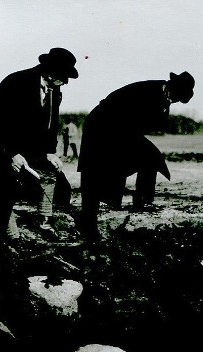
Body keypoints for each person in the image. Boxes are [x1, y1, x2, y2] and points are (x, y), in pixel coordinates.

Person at [0, 47, 78, 239]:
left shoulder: (54, 92)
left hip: (24, 146)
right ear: (50, 71)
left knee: (52, 176)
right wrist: (11, 153)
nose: (65, 82)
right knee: (4, 184)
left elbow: (51, 125)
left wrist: (50, 152)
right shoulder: (17, 82)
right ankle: (8, 229)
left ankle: (45, 221)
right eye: (63, 76)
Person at [77, 71, 196, 238]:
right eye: (177, 98)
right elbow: (128, 116)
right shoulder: (150, 90)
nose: (175, 101)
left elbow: (156, 124)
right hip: (101, 125)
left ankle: (143, 202)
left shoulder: (164, 95)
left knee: (150, 158)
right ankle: (88, 220)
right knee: (96, 169)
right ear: (173, 88)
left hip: (122, 129)